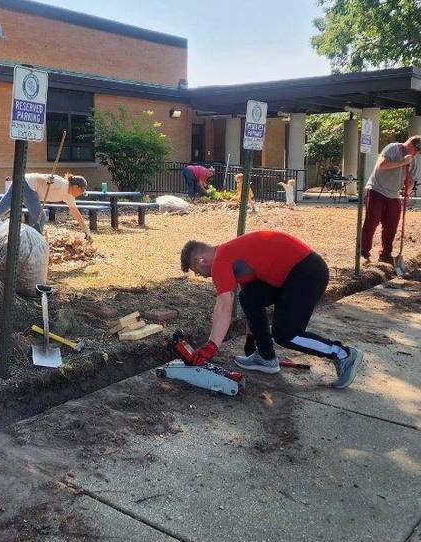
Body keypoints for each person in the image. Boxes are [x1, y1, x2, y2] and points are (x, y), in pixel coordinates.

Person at [180, 230, 363, 389]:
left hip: (306, 273)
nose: (201, 276)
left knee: (286, 334)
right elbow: (251, 299)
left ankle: (344, 354)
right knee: (249, 297)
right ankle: (266, 357)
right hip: (298, 273)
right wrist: (253, 338)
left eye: (196, 271)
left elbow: (224, 306)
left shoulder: (221, 260)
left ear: (200, 260)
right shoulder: (231, 255)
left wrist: (211, 346)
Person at [361, 136, 421, 264]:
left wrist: (408, 187)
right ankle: (363, 252)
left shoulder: (413, 161)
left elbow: (410, 181)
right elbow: (382, 165)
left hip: (393, 195)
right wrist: (403, 162)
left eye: (418, 151)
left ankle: (385, 254)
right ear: (410, 144)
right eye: (416, 150)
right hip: (377, 189)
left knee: (391, 225)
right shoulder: (393, 148)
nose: (416, 153)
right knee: (371, 222)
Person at [0, 172, 90, 236]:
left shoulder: (69, 195)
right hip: (27, 184)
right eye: (81, 192)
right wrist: (48, 180)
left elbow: (75, 212)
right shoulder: (61, 183)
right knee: (41, 217)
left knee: (3, 206)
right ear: (76, 187)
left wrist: (86, 230)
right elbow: (45, 178)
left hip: (23, 181)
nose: (81, 194)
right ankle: (35, 242)